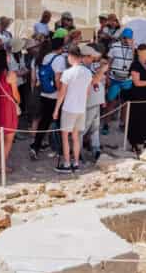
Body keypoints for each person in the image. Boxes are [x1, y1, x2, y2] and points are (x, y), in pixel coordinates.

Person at [52, 44, 95, 173]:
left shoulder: (67, 73)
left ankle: (66, 164)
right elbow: (87, 93)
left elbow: (62, 93)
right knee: (76, 137)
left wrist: (56, 110)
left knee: (65, 137)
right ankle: (76, 163)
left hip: (69, 108)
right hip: (80, 109)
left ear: (71, 57)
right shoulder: (88, 72)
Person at [30, 37, 66, 160]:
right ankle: (59, 148)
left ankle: (35, 146)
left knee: (44, 122)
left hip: (44, 93)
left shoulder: (44, 57)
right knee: (59, 122)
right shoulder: (59, 59)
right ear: (61, 47)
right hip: (55, 95)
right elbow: (57, 79)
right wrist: (62, 90)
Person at [0, 49, 20, 173]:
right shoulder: (10, 74)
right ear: (5, 58)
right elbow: (16, 95)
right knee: (8, 137)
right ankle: (2, 166)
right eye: (8, 56)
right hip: (7, 106)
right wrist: (17, 101)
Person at [103, 28, 135, 136]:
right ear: (122, 37)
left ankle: (123, 123)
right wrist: (107, 77)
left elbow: (136, 62)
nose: (127, 40)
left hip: (127, 80)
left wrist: (133, 48)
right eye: (125, 38)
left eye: (129, 38)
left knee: (125, 103)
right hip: (114, 79)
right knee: (111, 102)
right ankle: (106, 124)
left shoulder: (133, 47)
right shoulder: (115, 46)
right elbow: (109, 62)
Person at [83, 51, 108, 163]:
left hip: (97, 100)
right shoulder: (85, 68)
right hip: (89, 101)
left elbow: (101, 85)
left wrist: (103, 100)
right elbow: (94, 81)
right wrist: (102, 70)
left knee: (95, 127)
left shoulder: (93, 67)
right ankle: (76, 150)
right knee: (86, 126)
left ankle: (96, 149)